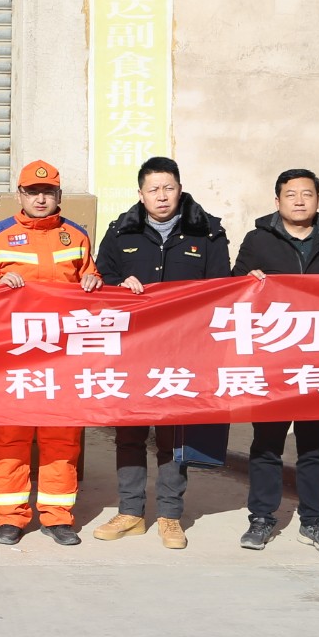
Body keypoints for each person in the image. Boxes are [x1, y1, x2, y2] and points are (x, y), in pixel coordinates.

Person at [91, 156, 231, 550]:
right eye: (153, 189)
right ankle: (131, 512)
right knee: (130, 434)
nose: (162, 196)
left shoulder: (207, 232)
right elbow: (101, 278)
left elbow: (221, 287)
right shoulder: (121, 231)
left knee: (173, 437)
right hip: (132, 351)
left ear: (180, 190)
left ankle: (170, 515)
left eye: (168, 188)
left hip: (183, 353)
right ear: (141, 194)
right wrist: (120, 284)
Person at [0, 160, 100, 546]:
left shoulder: (76, 237)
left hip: (62, 357)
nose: (40, 199)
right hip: (13, 357)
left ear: (58, 195)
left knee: (62, 439)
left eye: (48, 192)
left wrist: (94, 280)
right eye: (32, 192)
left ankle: (58, 518)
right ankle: (11, 518)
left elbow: (92, 279)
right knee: (10, 439)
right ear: (19, 195)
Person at [231, 168, 319, 555]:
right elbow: (232, 289)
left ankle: (314, 521)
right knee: (267, 444)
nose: (299, 201)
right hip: (272, 360)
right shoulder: (258, 240)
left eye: (307, 194)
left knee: (315, 447)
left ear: (318, 200)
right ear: (277, 201)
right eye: (291, 194)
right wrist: (246, 280)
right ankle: (262, 518)